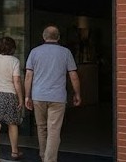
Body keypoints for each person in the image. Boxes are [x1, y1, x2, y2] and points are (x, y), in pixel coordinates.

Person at [24, 26, 81, 162]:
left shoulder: (34, 52)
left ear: (44, 37)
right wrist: (77, 93)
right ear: (58, 37)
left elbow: (28, 75)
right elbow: (73, 75)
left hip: (38, 96)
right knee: (54, 130)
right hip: (58, 97)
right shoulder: (65, 52)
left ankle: (44, 156)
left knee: (41, 127)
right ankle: (49, 159)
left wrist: (27, 95)